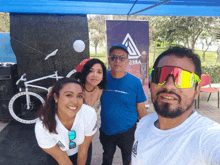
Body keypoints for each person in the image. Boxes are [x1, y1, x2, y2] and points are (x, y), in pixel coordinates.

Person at [131, 46, 220, 165]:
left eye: (183, 78)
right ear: (151, 84)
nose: (169, 86)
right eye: (160, 75)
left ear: (196, 91)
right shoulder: (143, 124)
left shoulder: (208, 136)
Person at [100, 43, 148, 165]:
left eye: (122, 58)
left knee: (129, 160)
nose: (117, 61)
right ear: (109, 60)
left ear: (127, 61)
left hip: (128, 131)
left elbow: (141, 108)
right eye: (114, 57)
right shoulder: (101, 79)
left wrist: (146, 130)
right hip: (106, 130)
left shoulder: (135, 82)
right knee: (106, 159)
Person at [35, 78, 98, 165]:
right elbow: (62, 158)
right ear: (56, 97)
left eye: (79, 96)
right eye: (69, 95)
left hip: (81, 150)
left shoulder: (89, 114)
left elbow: (83, 149)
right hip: (58, 155)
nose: (75, 101)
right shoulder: (42, 126)